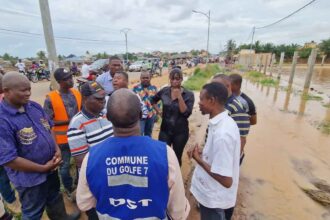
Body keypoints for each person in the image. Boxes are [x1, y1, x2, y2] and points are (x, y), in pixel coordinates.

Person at [76, 88, 190, 219]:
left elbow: (84, 203)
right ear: (141, 114)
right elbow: (178, 211)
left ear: (108, 117)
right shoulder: (165, 154)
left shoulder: (92, 157)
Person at [0, 72, 80, 220]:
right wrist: (42, 168)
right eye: (23, 90)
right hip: (30, 180)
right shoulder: (3, 119)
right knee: (33, 211)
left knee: (54, 198)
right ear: (6, 91)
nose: (28, 93)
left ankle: (62, 218)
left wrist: (56, 150)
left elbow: (49, 128)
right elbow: (8, 159)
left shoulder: (34, 106)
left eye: (29, 89)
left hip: (51, 168)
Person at [189, 82, 240, 220]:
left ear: (212, 101)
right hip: (212, 195)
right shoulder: (221, 123)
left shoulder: (223, 134)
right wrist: (203, 154)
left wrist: (198, 160)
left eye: (201, 99)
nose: (199, 103)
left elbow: (226, 180)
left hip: (215, 200)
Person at [44, 68, 82, 200]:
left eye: (71, 77)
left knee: (80, 162)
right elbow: (47, 123)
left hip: (78, 135)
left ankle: (79, 183)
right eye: (67, 79)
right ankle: (68, 188)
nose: (71, 80)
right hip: (62, 140)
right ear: (60, 82)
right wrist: (69, 121)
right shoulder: (51, 98)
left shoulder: (77, 93)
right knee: (64, 166)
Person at [151, 68, 195, 166]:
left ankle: (176, 179)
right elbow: (153, 100)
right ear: (169, 79)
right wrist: (159, 111)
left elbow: (186, 113)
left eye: (177, 79)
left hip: (180, 133)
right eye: (172, 78)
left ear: (181, 79)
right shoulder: (164, 91)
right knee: (164, 155)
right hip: (165, 131)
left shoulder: (188, 95)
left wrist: (179, 97)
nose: (175, 81)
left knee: (176, 157)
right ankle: (165, 177)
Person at [68, 81, 113, 170]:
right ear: (85, 99)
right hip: (95, 173)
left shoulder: (106, 114)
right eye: (98, 99)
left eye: (103, 97)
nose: (103, 101)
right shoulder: (77, 125)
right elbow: (81, 161)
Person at [0, 74, 21, 215]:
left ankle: (12, 198)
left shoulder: (5, 98)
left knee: (8, 172)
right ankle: (11, 200)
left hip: (8, 141)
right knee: (2, 175)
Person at [133, 71, 158, 137]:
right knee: (140, 133)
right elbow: (133, 102)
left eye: (147, 78)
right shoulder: (135, 89)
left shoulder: (154, 88)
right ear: (140, 78)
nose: (145, 79)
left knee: (148, 133)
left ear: (150, 78)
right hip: (140, 116)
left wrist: (156, 114)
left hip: (151, 115)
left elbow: (157, 102)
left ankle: (147, 146)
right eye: (143, 78)